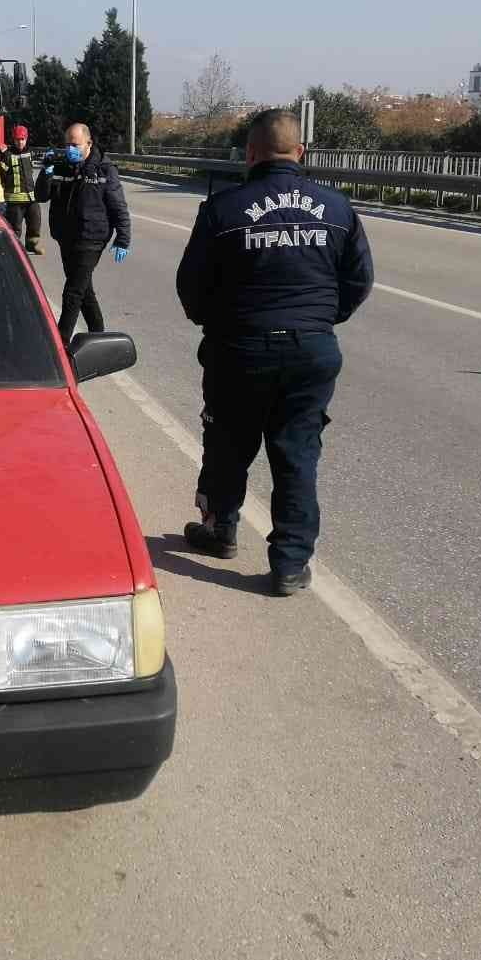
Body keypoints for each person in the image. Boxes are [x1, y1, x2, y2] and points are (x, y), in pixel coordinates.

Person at [175, 108, 374, 596]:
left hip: (239, 351)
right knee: (296, 456)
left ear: (249, 153)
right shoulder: (337, 208)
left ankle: (221, 528)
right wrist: (318, 322)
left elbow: (192, 288)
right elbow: (358, 281)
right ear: (300, 152)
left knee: (227, 445)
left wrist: (220, 325)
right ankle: (288, 564)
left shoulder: (222, 210)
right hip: (311, 353)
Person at [33, 123, 130, 338]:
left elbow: (118, 206)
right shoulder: (62, 166)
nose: (70, 149)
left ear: (89, 144)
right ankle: (99, 334)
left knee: (73, 292)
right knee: (84, 291)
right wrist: (46, 172)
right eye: (67, 144)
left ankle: (61, 343)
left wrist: (123, 238)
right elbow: (41, 196)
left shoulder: (104, 169)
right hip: (66, 237)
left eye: (75, 144)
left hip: (91, 238)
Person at [0, 125, 44, 254]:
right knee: (15, 227)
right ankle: (14, 249)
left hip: (31, 198)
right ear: (13, 140)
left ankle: (32, 245)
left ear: (26, 139)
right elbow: (2, 175)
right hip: (14, 200)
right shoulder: (7, 155)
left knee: (35, 223)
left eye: (22, 139)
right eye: (18, 139)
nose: (20, 142)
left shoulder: (31, 152)